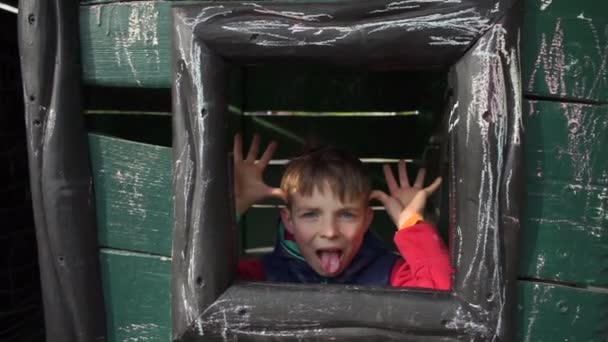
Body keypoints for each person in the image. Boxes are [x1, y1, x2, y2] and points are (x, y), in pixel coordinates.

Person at [233, 133, 453, 289]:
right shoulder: (265, 275)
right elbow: (203, 286)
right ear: (289, 221)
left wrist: (410, 225)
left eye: (347, 215)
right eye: (310, 215)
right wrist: (235, 208)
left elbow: (442, 298)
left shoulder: (389, 273)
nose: (330, 232)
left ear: (367, 220)